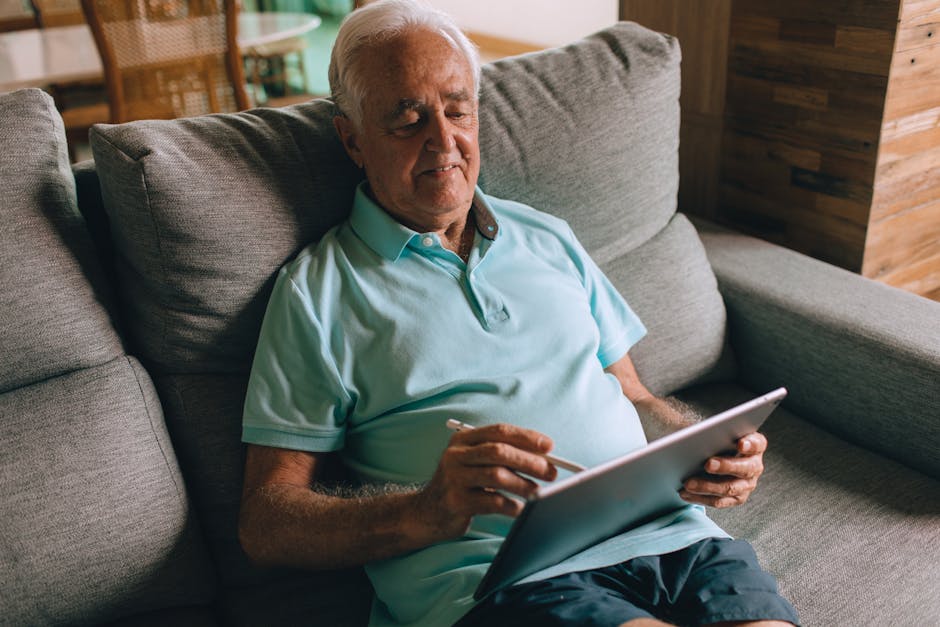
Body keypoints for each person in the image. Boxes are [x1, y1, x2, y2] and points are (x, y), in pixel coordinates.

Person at [239, 1, 800, 626]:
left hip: (674, 540)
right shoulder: (316, 293)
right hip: (504, 580)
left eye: (458, 111)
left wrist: (706, 452)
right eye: (406, 119)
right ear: (352, 140)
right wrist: (428, 509)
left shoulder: (548, 236)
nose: (444, 142)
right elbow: (267, 522)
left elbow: (633, 394)